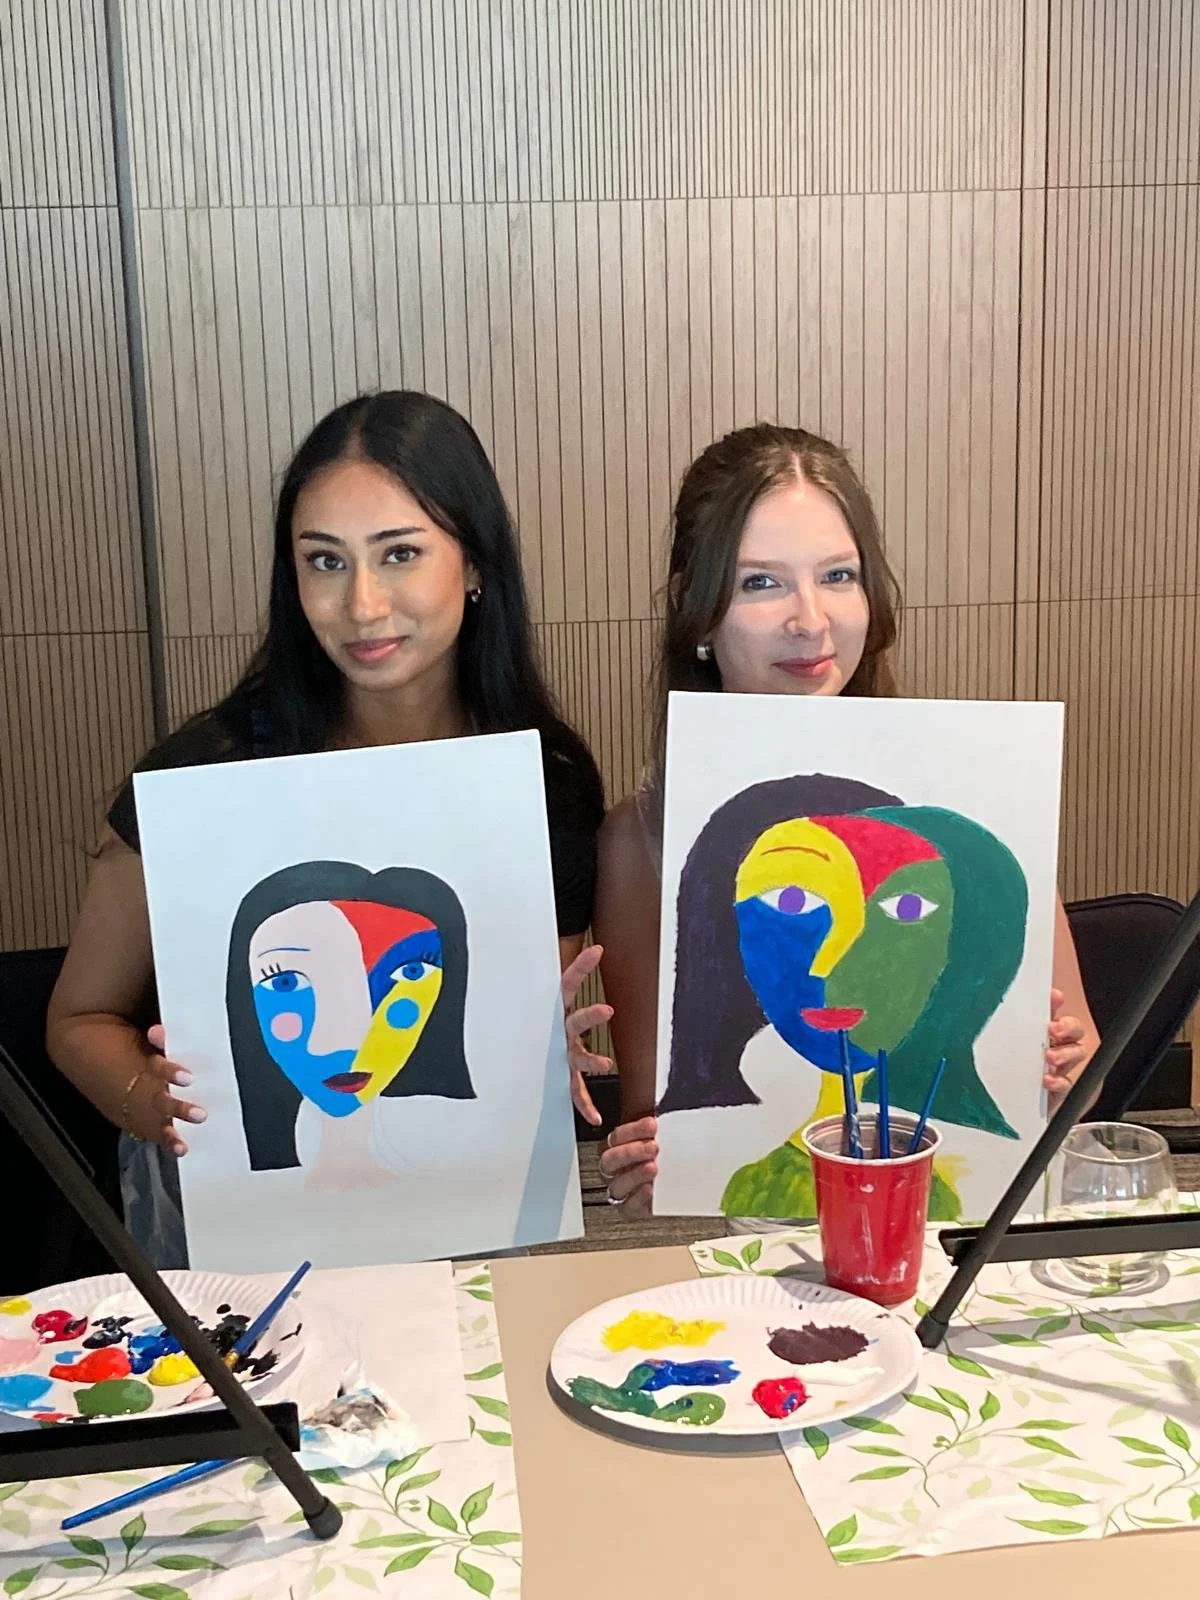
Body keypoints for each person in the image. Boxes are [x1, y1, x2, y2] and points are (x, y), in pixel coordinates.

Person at [47, 390, 608, 1261]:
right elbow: (78, 1019)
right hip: (233, 1223)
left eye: (400, 554)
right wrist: (144, 1098)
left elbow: (507, 1021)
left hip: (465, 1207)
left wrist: (538, 1054)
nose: (363, 606)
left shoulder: (547, 786)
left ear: (474, 565)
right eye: (325, 561)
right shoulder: (204, 777)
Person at [593, 422, 1100, 1216]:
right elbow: (658, 1123)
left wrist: (1064, 1069)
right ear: (698, 611)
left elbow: (1081, 1057)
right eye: (761, 583)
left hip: (942, 1250)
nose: (810, 620)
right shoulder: (643, 838)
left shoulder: (966, 794)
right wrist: (642, 1170)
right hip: (735, 1267)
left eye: (838, 575)